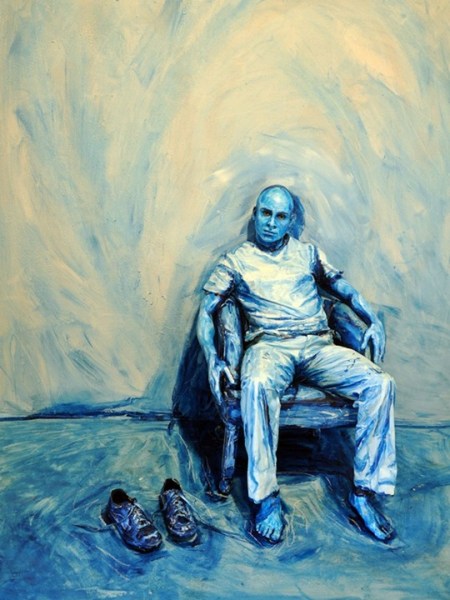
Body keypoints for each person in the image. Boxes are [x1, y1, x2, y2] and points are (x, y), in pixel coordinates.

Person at [197, 185, 396, 544]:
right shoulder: (236, 260)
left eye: (280, 216)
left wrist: (373, 320)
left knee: (380, 384)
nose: (271, 223)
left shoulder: (308, 253)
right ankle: (265, 498)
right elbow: (206, 312)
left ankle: (364, 493)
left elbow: (345, 290)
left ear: (290, 221)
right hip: (269, 347)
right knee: (257, 384)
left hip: (317, 344)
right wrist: (213, 357)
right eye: (265, 214)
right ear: (255, 214)